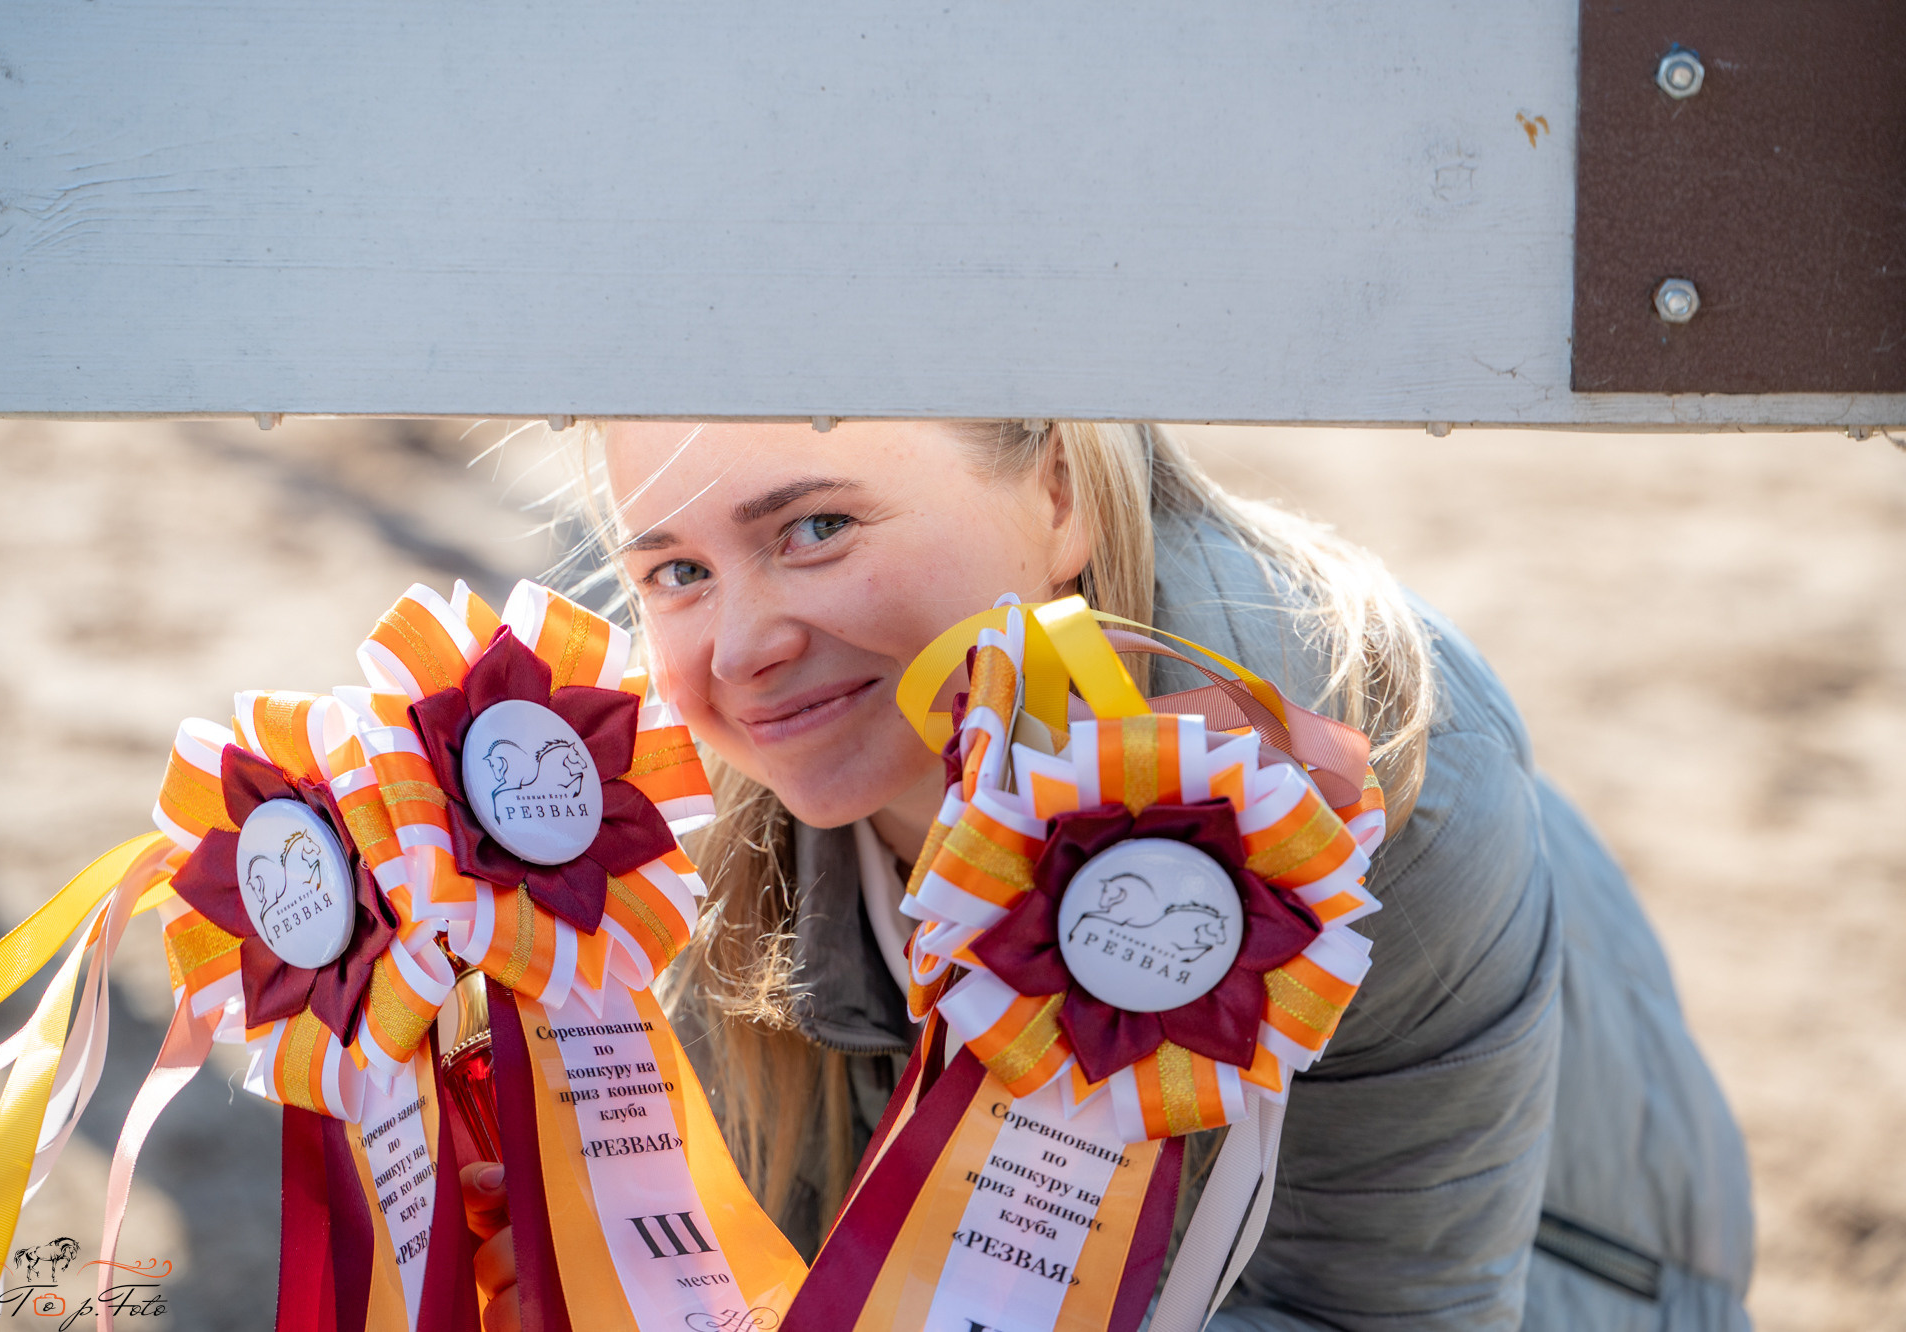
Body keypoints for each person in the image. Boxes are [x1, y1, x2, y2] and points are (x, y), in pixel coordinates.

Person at [464, 421, 1753, 1329]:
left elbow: (1379, 1310)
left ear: (1063, 496)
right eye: (675, 571)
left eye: (816, 526)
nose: (741, 649)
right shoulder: (668, 843)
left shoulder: (1385, 782)